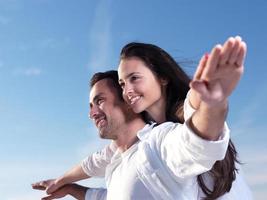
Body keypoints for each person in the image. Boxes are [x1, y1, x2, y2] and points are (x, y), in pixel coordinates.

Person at [33, 37, 252, 199]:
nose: (128, 90)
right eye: (122, 83)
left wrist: (212, 102)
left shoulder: (160, 140)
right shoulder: (125, 152)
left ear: (162, 78)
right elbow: (96, 166)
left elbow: (194, 139)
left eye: (134, 78)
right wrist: (66, 184)